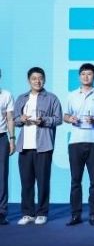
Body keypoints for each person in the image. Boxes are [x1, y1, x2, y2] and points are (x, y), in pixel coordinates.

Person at [64, 63, 94, 226]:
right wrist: (70, 119)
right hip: (75, 142)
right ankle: (75, 215)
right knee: (75, 180)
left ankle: (93, 215)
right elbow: (65, 115)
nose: (86, 77)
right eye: (83, 74)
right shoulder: (71, 95)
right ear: (79, 76)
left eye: (89, 74)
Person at [14, 67, 62, 225]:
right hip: (24, 146)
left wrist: (44, 121)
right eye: (34, 78)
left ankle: (42, 212)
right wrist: (21, 119)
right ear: (29, 80)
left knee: (43, 181)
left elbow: (58, 119)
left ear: (44, 79)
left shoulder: (52, 98)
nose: (37, 81)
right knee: (26, 181)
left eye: (40, 78)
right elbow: (14, 120)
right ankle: (28, 213)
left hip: (44, 145)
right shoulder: (22, 98)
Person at [0, 69, 15, 225]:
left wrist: (12, 139)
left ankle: (1, 212)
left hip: (2, 137)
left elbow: (10, 118)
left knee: (2, 176)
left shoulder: (6, 95)